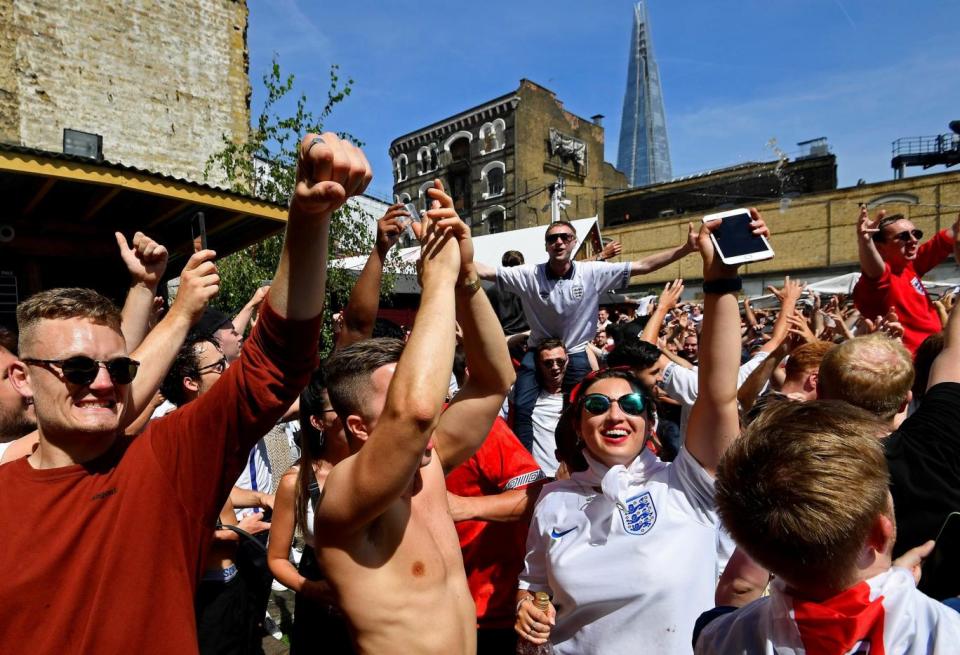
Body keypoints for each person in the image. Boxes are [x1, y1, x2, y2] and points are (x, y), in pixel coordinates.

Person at [0, 132, 371, 654]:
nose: (104, 383)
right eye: (79, 369)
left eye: (120, 367)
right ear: (23, 378)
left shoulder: (164, 459)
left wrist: (307, 223)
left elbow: (275, 365)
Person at [514, 210, 769, 654]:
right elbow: (534, 582)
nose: (615, 415)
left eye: (630, 404)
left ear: (650, 423)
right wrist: (526, 608)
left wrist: (721, 278)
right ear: (578, 425)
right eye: (597, 405)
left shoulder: (686, 483)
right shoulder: (553, 500)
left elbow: (718, 394)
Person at [313, 179, 515, 655]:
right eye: (396, 395)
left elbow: (493, 380)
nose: (423, 398)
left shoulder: (431, 465)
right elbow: (415, 415)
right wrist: (437, 283)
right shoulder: (344, 496)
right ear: (359, 427)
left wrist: (466, 279)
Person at [695, 401, 960, 653]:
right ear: (881, 533)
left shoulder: (716, 636)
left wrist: (898, 580)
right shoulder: (947, 631)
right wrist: (897, 583)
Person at [267, 202, 408, 655]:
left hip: (382, 597)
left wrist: (380, 252)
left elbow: (358, 328)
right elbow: (277, 557)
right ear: (319, 420)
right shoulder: (298, 480)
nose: (361, 415)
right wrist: (311, 590)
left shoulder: (381, 460)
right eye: (338, 409)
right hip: (322, 611)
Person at [475, 219, 698, 451]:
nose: (558, 242)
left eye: (564, 237)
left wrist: (685, 249)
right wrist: (452, 249)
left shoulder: (591, 272)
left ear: (573, 243)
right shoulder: (530, 274)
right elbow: (485, 271)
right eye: (552, 238)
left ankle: (577, 459)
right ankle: (525, 466)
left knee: (582, 408)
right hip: (538, 349)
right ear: (546, 246)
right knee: (520, 405)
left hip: (575, 351)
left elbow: (642, 265)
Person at [446, 417, 546, 654]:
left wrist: (463, 507)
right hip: (418, 617)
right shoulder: (364, 444)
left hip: (490, 612)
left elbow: (537, 497)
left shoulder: (476, 425)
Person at [854, 206, 960, 353]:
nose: (913, 240)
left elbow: (951, 235)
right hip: (911, 367)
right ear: (880, 248)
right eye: (903, 237)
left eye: (916, 234)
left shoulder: (910, 267)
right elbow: (874, 273)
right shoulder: (879, 279)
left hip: (934, 356)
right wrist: (865, 242)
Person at [522, 338, 567, 476]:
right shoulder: (526, 399)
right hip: (540, 477)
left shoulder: (577, 395)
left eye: (560, 361)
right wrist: (527, 335)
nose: (555, 367)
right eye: (548, 363)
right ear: (538, 365)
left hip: (573, 476)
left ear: (568, 360)